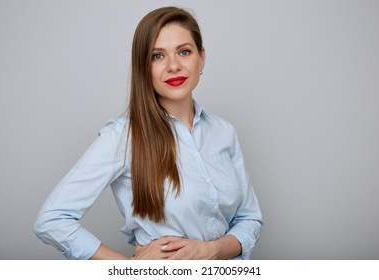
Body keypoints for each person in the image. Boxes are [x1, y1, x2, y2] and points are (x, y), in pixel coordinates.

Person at [34, 6, 263, 260]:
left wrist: (212, 250)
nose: (173, 66)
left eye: (184, 52)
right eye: (157, 56)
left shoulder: (224, 132)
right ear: (143, 66)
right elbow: (52, 220)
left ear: (202, 58)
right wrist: (130, 269)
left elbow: (249, 218)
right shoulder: (122, 137)